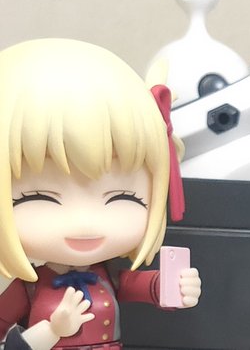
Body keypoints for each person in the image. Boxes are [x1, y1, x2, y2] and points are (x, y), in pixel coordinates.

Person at [0, 39, 201, 350]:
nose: (85, 222)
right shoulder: (26, 289)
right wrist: (51, 331)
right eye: (39, 197)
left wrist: (174, 285)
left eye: (123, 196)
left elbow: (146, 286)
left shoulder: (109, 276)